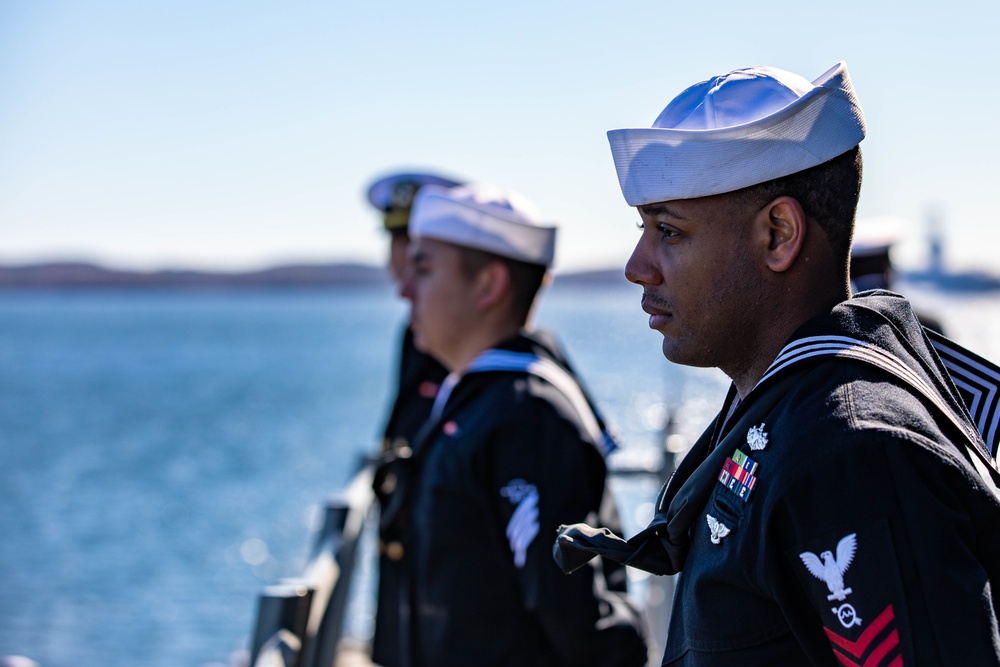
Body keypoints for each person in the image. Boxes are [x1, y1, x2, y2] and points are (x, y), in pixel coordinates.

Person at [554, 62, 1000, 665]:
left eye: (669, 231)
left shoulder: (853, 453)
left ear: (779, 234)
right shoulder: (790, 410)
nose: (637, 265)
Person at [382, 183, 647, 666]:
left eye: (422, 268)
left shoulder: (526, 415)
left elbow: (582, 625)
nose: (403, 289)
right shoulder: (481, 399)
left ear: (488, 285)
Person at [365, 170, 463, 667]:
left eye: (416, 245)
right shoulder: (416, 336)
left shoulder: (463, 345)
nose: (397, 260)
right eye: (395, 241)